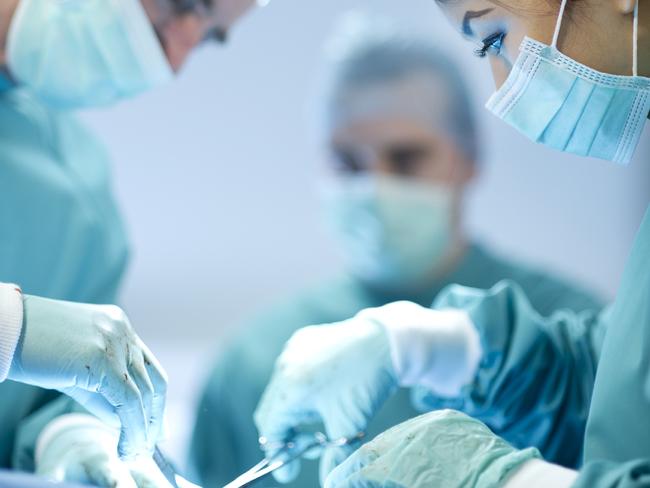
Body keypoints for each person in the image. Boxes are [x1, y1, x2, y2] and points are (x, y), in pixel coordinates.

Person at [189, 17, 603, 488]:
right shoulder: (254, 361)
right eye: (347, 162)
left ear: (468, 159)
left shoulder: (573, 337)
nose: (374, 186)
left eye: (405, 158)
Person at [0, 0, 260, 485]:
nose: (177, 55)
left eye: (208, 36)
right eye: (187, 3)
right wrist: (11, 329)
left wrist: (69, 436)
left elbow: (35, 403)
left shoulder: (71, 181)